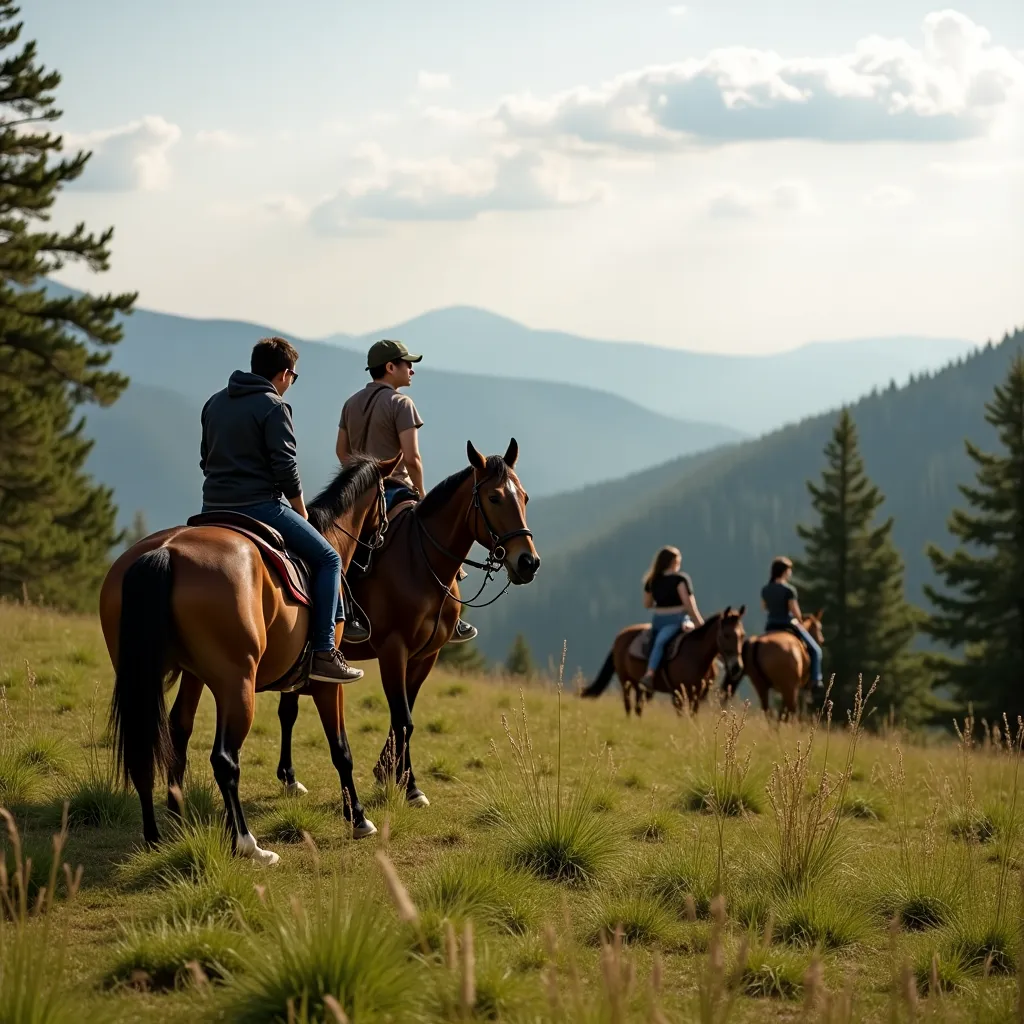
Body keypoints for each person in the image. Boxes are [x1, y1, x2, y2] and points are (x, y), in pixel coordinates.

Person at [199, 336, 364, 684]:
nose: (291, 383)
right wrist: (301, 512)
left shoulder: (214, 403)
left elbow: (205, 460)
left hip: (211, 508)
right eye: (294, 376)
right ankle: (323, 652)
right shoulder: (274, 407)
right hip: (260, 507)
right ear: (285, 374)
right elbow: (285, 468)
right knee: (329, 559)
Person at [336, 339, 477, 644]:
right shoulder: (401, 404)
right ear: (390, 367)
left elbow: (341, 452)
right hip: (396, 491)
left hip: (357, 496)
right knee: (440, 534)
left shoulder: (351, 403)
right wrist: (423, 495)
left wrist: (360, 480)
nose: (412, 370)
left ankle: (346, 610)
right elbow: (412, 458)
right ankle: (451, 616)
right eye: (407, 364)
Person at [640, 545, 703, 692]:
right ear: (673, 562)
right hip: (677, 619)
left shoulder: (652, 580)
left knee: (656, 642)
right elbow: (689, 604)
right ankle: (650, 674)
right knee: (662, 642)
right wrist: (698, 622)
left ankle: (650, 672)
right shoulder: (680, 579)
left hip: (657, 620)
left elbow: (647, 604)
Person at [761, 556, 823, 692]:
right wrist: (799, 619)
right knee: (816, 650)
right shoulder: (789, 590)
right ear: (784, 571)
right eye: (789, 570)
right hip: (787, 624)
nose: (790, 573)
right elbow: (796, 613)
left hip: (771, 625)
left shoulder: (766, 589)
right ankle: (816, 680)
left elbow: (764, 606)